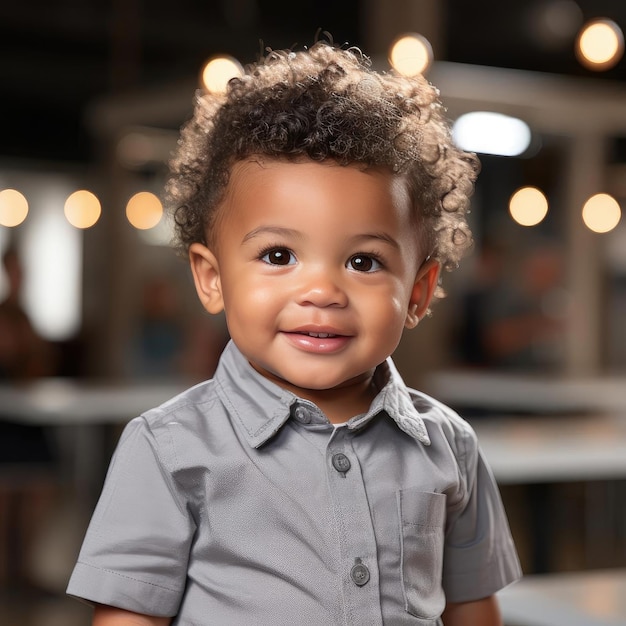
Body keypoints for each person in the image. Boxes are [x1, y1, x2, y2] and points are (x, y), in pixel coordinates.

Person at [67, 40, 522, 625]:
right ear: (211, 279)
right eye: (279, 254)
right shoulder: (169, 449)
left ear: (418, 291)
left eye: (363, 262)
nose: (322, 292)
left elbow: (471, 608)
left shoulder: (450, 448)